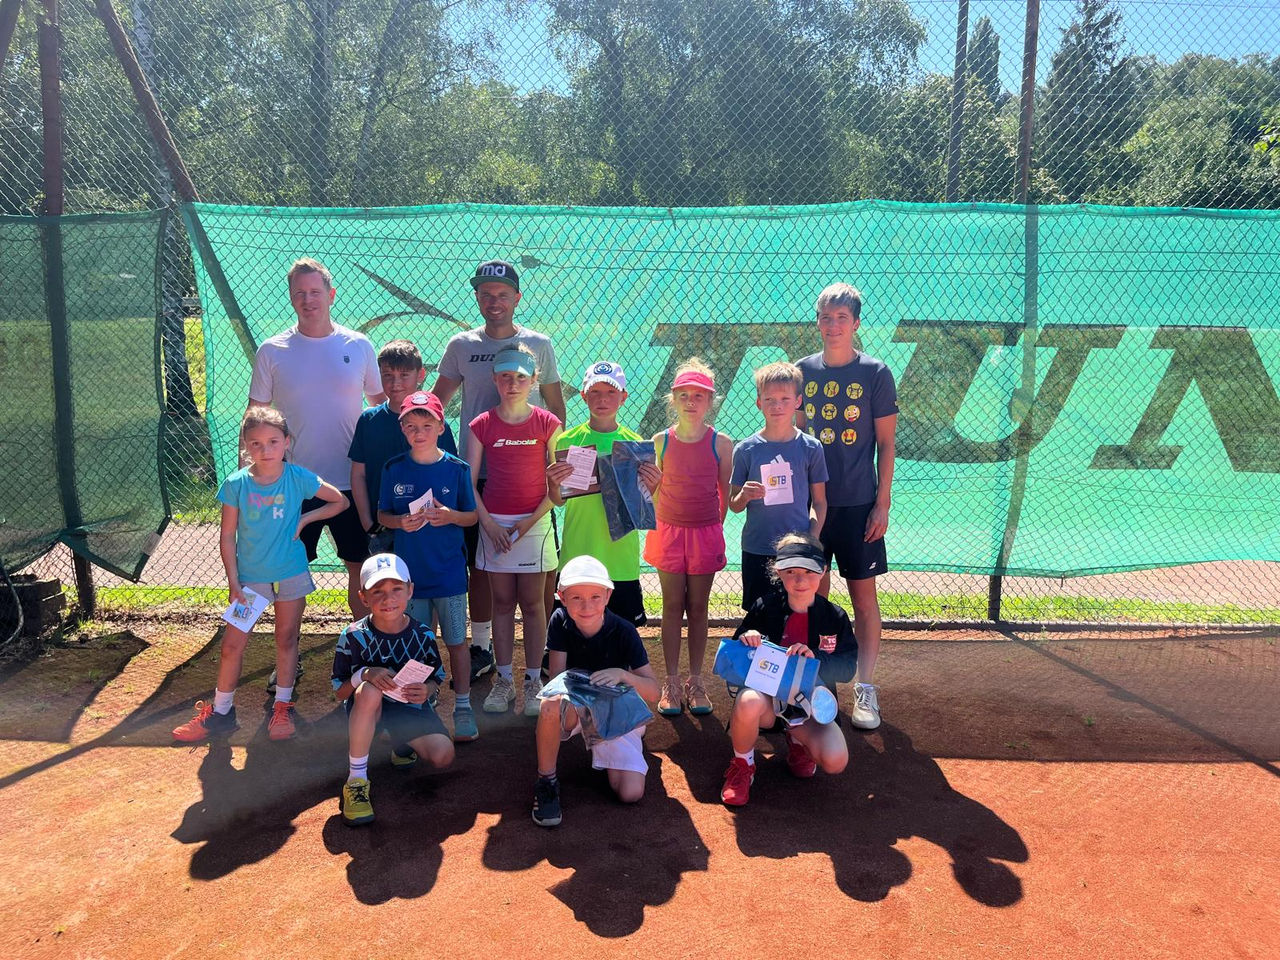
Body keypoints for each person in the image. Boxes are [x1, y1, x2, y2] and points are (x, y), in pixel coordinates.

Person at [172, 407, 347, 743]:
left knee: (286, 639)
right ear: (246, 446)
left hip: (290, 576)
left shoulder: (298, 477)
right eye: (256, 444)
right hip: (250, 582)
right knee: (232, 644)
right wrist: (233, 582)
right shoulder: (236, 483)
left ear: (286, 442)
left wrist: (305, 520)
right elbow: (227, 536)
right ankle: (221, 712)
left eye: (272, 441)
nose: (265, 450)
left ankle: (283, 707)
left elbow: (339, 501)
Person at [432, 259, 566, 673]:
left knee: (540, 573)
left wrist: (553, 469)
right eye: (486, 295)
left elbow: (556, 407)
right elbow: (436, 405)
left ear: (517, 299)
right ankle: (484, 648)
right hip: (479, 472)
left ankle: (545, 649)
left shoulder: (539, 344)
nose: (494, 302)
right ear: (477, 297)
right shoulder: (461, 345)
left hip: (529, 469)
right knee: (483, 567)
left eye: (503, 295)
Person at [247, 258, 384, 624]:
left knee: (362, 572)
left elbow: (379, 407)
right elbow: (255, 417)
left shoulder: (358, 345)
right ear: (291, 299)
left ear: (331, 295)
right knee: (287, 577)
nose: (308, 300)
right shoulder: (272, 350)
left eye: (315, 292)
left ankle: (363, 651)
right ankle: (286, 659)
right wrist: (253, 477)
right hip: (292, 483)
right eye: (300, 294)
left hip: (353, 481)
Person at [795, 283, 897, 730]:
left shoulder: (876, 373)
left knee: (863, 598)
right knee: (813, 598)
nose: (833, 325)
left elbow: (887, 445)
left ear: (856, 324)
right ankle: (817, 687)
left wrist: (882, 505)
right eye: (826, 317)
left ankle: (866, 689)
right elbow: (795, 441)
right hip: (814, 510)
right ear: (817, 322)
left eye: (842, 318)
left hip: (858, 507)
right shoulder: (800, 372)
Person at [720, 533, 856, 807]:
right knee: (747, 701)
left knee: (835, 760)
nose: (800, 580)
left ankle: (797, 742)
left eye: (808, 572)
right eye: (791, 571)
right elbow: (735, 655)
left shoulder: (835, 616)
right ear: (778, 572)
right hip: (768, 705)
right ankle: (742, 766)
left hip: (807, 711)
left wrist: (815, 657)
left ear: (823, 572)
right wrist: (749, 639)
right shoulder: (765, 607)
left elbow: (847, 668)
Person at [377, 390, 479, 742]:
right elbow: (382, 514)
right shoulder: (393, 468)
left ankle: (462, 705)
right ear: (402, 428)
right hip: (411, 581)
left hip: (449, 577)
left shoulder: (457, 468)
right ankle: (422, 705)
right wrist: (399, 523)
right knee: (418, 646)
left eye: (426, 425)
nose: (418, 432)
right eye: (411, 426)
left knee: (456, 643)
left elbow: (472, 516)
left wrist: (450, 516)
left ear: (440, 426)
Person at [466, 344, 562, 716]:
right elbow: (469, 483)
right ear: (494, 379)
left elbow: (558, 486)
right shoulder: (482, 425)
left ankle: (534, 680)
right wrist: (488, 523)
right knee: (502, 604)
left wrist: (529, 521)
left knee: (535, 605)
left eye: (520, 377)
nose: (512, 383)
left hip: (534, 524)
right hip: (495, 528)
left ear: (534, 381)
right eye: (505, 376)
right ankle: (504, 680)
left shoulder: (547, 423)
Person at [533, 555, 660, 827]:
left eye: (594, 596)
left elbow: (654, 693)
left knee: (630, 793)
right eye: (576, 597)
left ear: (608, 595)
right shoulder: (559, 620)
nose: (586, 605)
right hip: (579, 706)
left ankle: (612, 746)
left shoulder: (624, 631)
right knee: (550, 705)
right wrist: (582, 705)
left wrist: (623, 675)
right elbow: (556, 679)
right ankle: (547, 781)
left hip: (615, 712)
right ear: (561, 597)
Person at [331, 553, 455, 826]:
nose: (388, 599)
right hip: (366, 711)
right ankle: (356, 781)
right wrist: (364, 674)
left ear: (410, 590)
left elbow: (437, 678)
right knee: (370, 690)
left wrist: (427, 690)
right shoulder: (352, 635)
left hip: (407, 710)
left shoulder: (422, 635)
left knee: (444, 754)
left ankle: (398, 741)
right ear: (363, 597)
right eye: (378, 592)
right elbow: (339, 690)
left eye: (396, 589)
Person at [643, 358, 733, 717]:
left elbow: (724, 497)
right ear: (674, 399)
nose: (691, 401)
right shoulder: (660, 441)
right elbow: (652, 494)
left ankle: (696, 682)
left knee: (698, 609)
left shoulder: (722, 444)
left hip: (705, 534)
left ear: (710, 401)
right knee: (671, 607)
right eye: (684, 395)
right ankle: (672, 681)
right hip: (667, 532)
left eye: (699, 395)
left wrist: (708, 525)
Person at [546, 361, 661, 626]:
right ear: (584, 396)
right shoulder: (567, 440)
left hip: (619, 558)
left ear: (623, 397)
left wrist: (652, 487)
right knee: (572, 633)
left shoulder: (636, 444)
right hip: (578, 551)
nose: (602, 399)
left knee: (621, 636)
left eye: (610, 392)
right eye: (595, 392)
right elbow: (558, 500)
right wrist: (552, 483)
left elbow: (643, 505)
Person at [729, 361, 828, 611]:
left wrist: (810, 539)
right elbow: (734, 505)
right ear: (759, 402)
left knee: (795, 614)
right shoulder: (745, 450)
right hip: (757, 547)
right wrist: (744, 495)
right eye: (770, 399)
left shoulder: (811, 447)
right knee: (759, 616)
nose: (777, 405)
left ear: (797, 402)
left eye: (785, 398)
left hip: (797, 551)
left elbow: (819, 501)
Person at [349, 339, 458, 549]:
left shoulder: (435, 422)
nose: (395, 383)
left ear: (421, 375)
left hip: (430, 528)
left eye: (404, 375)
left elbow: (450, 474)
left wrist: (442, 516)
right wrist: (368, 523)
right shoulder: (368, 420)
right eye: (388, 375)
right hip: (383, 528)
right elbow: (358, 474)